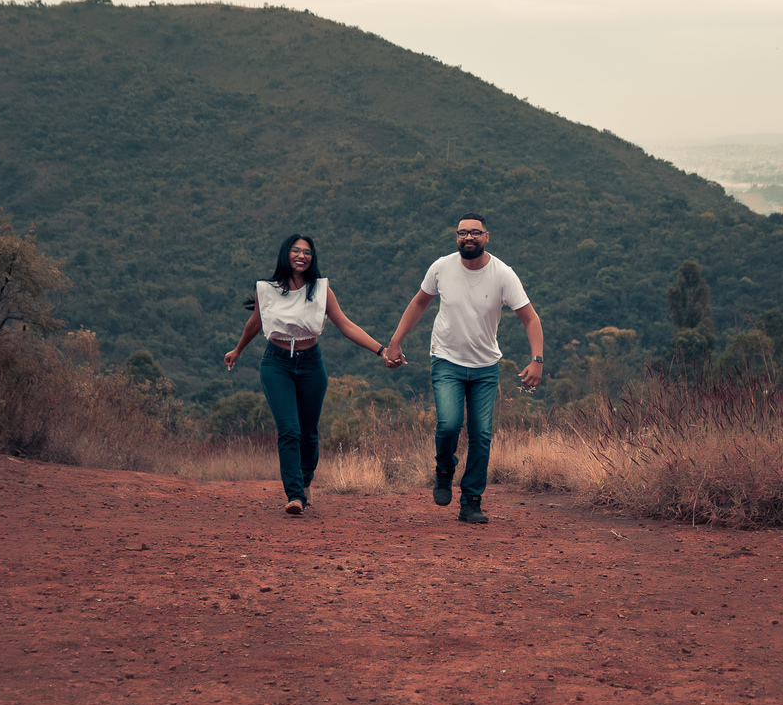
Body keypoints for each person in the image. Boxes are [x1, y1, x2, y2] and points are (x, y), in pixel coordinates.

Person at [383, 213, 544, 524]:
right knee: (448, 424)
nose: (468, 238)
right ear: (456, 237)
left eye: (475, 233)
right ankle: (444, 470)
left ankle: (471, 501)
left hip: (485, 367)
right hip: (446, 360)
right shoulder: (441, 267)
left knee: (481, 434)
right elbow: (419, 303)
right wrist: (395, 341)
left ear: (486, 236)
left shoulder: (503, 274)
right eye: (462, 233)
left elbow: (531, 318)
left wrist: (536, 359)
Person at [225, 235, 388, 515]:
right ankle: (295, 494)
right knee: (290, 430)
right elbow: (254, 323)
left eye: (307, 252)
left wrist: (381, 350)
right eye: (296, 251)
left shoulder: (322, 290)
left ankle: (304, 480)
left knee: (309, 434)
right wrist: (238, 350)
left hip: (312, 363)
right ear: (285, 254)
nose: (301, 256)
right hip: (276, 363)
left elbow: (346, 326)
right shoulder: (265, 290)